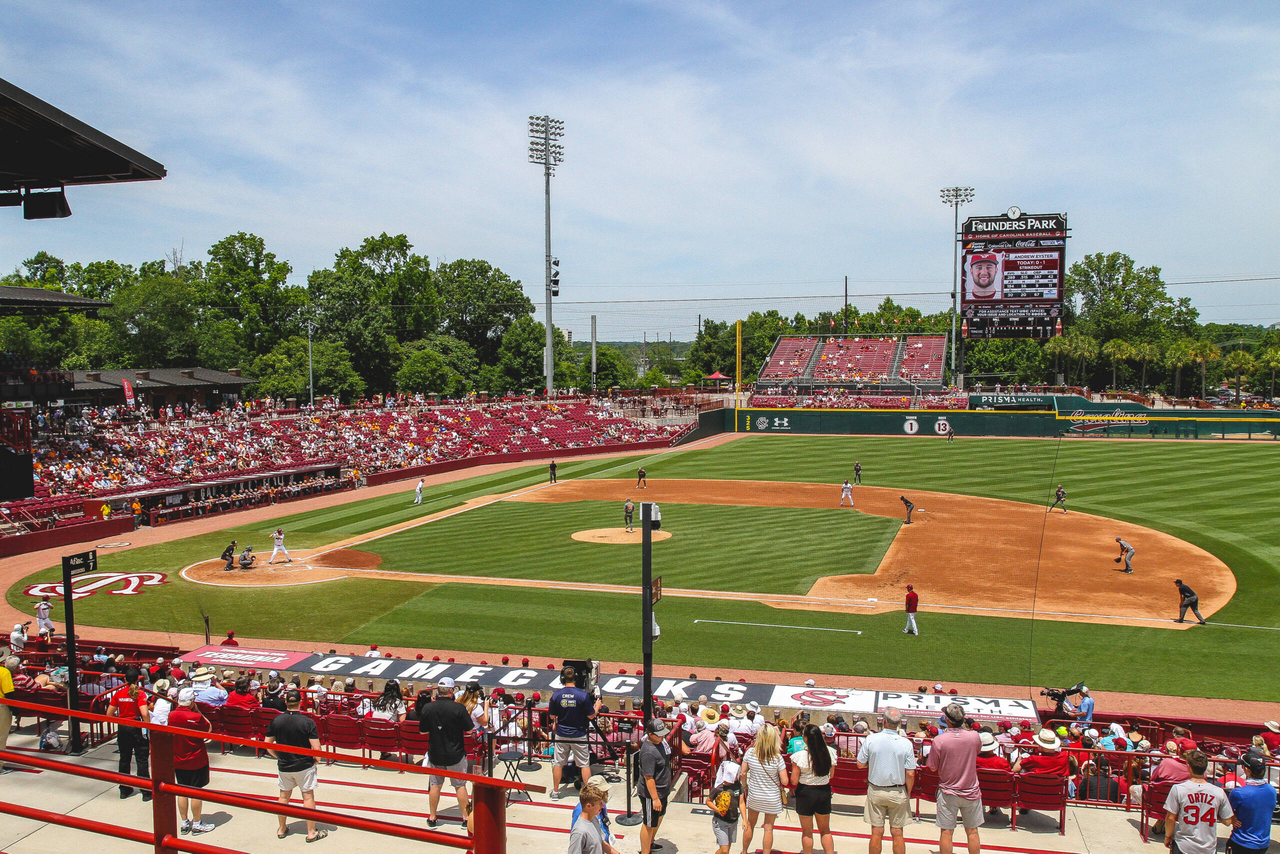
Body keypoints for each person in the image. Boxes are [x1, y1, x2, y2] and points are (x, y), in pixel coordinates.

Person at [266, 689, 326, 842]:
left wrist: (278, 756)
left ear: (286, 702)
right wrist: (316, 760)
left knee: (283, 796)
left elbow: (268, 744)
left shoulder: (276, 720)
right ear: (301, 702)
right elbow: (316, 747)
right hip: (304, 765)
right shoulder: (308, 722)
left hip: (285, 765)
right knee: (308, 797)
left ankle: (281, 828)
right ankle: (311, 832)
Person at [418, 677, 473, 832]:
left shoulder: (428, 708)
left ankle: (433, 817)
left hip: (436, 753)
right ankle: (466, 818)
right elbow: (469, 730)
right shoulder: (458, 709)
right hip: (455, 753)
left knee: (435, 785)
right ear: (451, 691)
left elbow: (423, 731)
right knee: (460, 786)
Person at [858, 707, 915, 854]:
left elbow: (860, 764)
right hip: (897, 791)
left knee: (876, 832)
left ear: (883, 721)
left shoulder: (871, 739)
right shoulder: (906, 743)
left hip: (877, 790)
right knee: (897, 832)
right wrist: (908, 792)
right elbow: (910, 773)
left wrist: (875, 763)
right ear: (900, 723)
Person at [930, 704, 983, 854]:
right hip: (970, 791)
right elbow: (977, 751)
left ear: (947, 719)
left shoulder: (939, 740)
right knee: (972, 831)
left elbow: (933, 767)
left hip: (948, 793)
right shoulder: (974, 736)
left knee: (946, 832)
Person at [1164, 750, 1231, 854]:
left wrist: (1168, 836)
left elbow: (1170, 818)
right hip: (1208, 848)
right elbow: (1227, 821)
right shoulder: (1219, 792)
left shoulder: (1178, 789)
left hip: (1184, 845)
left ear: (1188, 766)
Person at [168, 687, 215, 835]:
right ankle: (197, 823)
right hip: (196, 758)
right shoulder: (196, 717)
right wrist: (197, 711)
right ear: (192, 702)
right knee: (196, 792)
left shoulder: (172, 715)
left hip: (178, 757)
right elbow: (209, 728)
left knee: (182, 791)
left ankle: (184, 822)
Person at [550, 666, 600, 798]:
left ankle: (555, 792)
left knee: (558, 763)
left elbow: (551, 716)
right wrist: (597, 707)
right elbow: (591, 716)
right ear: (576, 679)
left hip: (562, 734)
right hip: (579, 735)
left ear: (562, 678)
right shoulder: (582, 695)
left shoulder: (556, 695)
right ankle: (588, 793)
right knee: (584, 764)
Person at [790, 723, 838, 854]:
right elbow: (831, 775)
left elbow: (794, 780)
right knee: (825, 830)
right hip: (823, 791)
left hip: (805, 792)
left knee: (807, 832)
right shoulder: (830, 753)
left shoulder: (799, 756)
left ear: (805, 738)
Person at [106, 667, 152, 800]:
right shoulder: (140, 694)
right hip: (137, 727)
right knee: (141, 759)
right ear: (138, 680)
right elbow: (144, 713)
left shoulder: (119, 693)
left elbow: (109, 714)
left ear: (124, 679)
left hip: (123, 728)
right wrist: (146, 728)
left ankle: (124, 789)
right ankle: (145, 791)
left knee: (124, 758)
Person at [741, 723, 787, 854]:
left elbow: (742, 773)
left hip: (755, 794)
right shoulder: (777, 758)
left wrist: (745, 787)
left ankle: (744, 851)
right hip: (772, 797)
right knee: (768, 828)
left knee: (750, 824)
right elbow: (784, 781)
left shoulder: (750, 753)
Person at [1227, 751, 1276, 853]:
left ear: (1247, 770)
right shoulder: (1272, 790)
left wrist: (1232, 818)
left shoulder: (1238, 793)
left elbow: (1225, 813)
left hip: (1241, 841)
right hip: (1263, 844)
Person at [636, 718, 672, 854]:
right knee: (649, 823)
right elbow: (648, 777)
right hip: (651, 794)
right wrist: (655, 798)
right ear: (650, 734)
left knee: (659, 816)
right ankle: (645, 851)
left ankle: (650, 842)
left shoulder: (661, 743)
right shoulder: (648, 752)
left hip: (663, 789)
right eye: (659, 734)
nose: (663, 736)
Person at [569, 779, 618, 854]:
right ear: (589, 806)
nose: (602, 806)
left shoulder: (594, 819)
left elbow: (601, 842)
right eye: (599, 804)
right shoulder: (579, 832)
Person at [706, 759, 743, 854]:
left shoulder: (738, 785)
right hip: (720, 821)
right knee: (725, 850)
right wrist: (718, 810)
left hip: (733, 820)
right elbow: (708, 801)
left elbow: (742, 803)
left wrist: (745, 820)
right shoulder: (718, 788)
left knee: (726, 849)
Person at [0, 654, 13, 775]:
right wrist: (15, 710)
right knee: (1, 737)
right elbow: (9, 693)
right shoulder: (4, 672)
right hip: (1, 706)